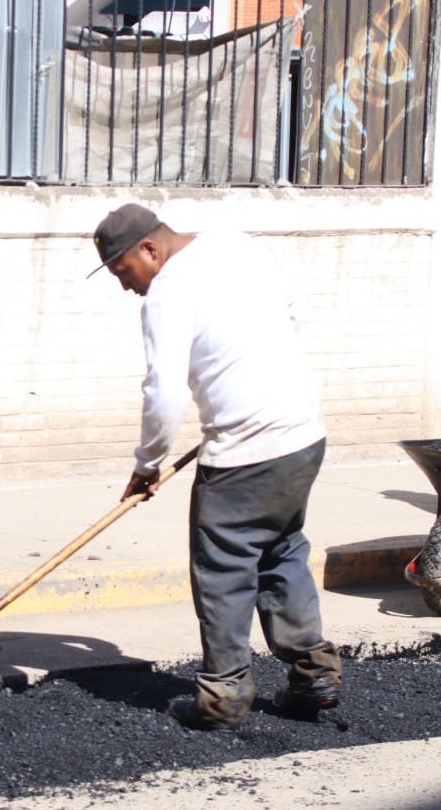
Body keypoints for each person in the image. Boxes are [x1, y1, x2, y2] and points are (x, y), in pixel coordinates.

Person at [91, 203, 341, 730]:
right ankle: (312, 674)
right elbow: (292, 313)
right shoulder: (235, 242)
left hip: (244, 453)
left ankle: (223, 697)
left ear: (149, 250)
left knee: (224, 568)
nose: (125, 286)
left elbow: (162, 395)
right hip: (303, 435)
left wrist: (148, 462)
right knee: (280, 549)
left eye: (122, 272)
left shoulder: (165, 294)